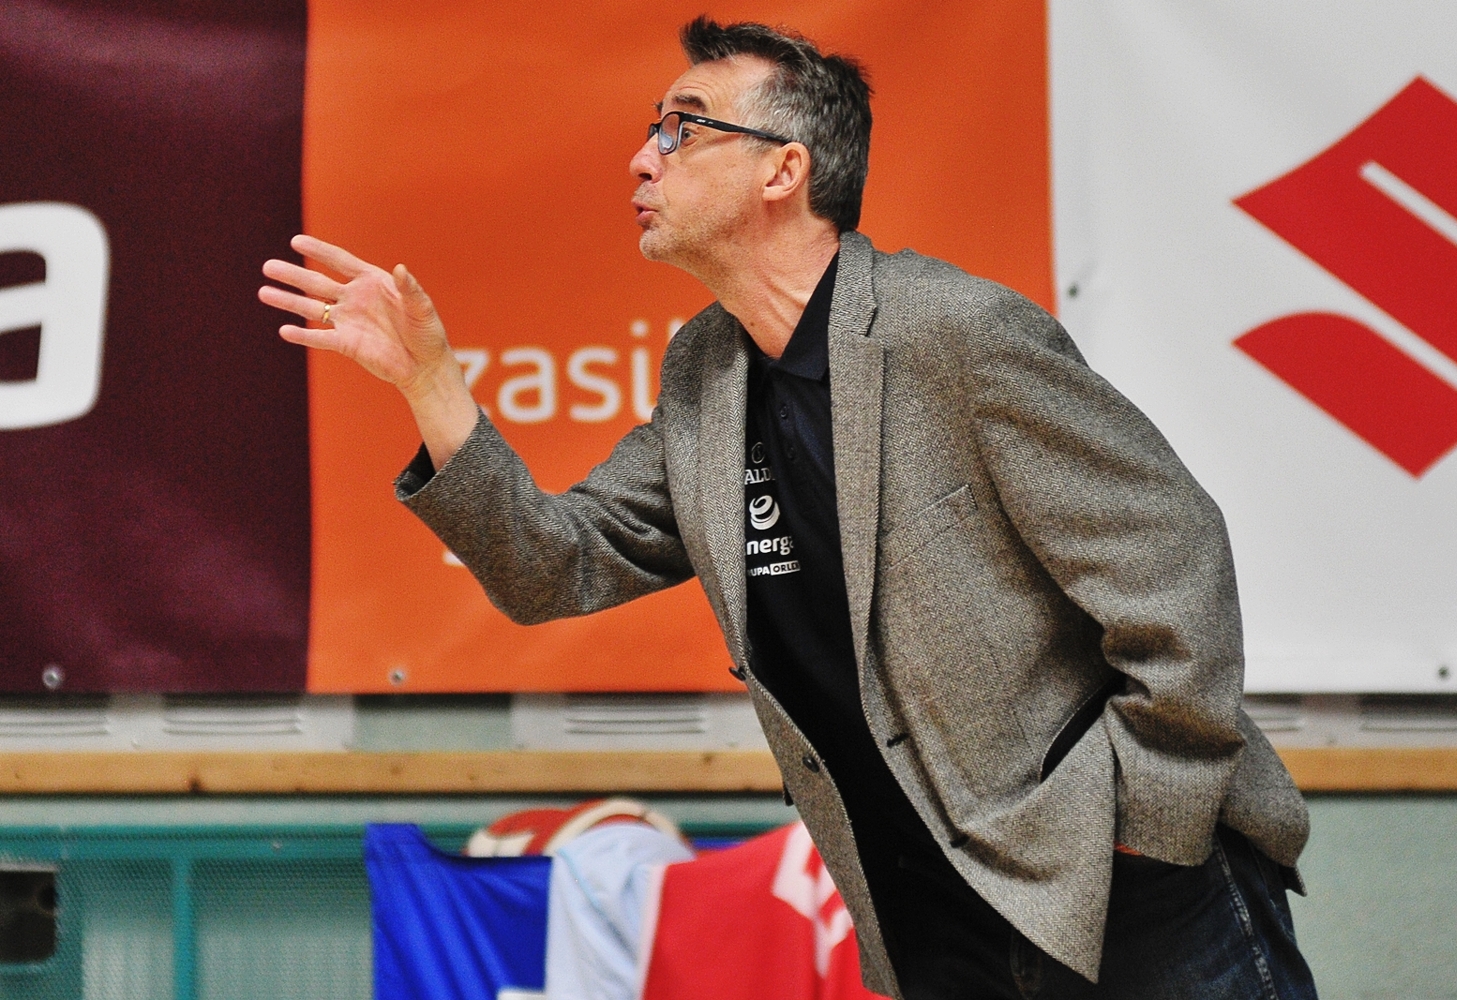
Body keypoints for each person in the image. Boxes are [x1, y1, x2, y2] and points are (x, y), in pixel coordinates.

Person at [260, 17, 1318, 1000]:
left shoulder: (953, 332)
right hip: (930, 918)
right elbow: (552, 564)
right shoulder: (704, 373)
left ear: (783, 169)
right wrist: (432, 385)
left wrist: (1141, 826)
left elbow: (1175, 565)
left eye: (681, 128)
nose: (641, 158)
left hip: (1132, 891)